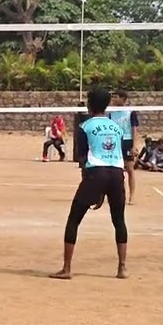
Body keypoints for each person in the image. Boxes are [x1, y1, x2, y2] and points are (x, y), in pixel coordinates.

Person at [52, 88, 128, 281]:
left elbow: (83, 157)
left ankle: (67, 268)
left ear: (89, 104)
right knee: (119, 220)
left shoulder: (85, 126)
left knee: (74, 219)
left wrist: (92, 188)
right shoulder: (116, 127)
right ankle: (122, 268)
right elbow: (120, 152)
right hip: (117, 173)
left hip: (96, 172)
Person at [108, 91, 141, 204]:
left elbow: (134, 130)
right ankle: (117, 195)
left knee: (130, 169)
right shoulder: (111, 113)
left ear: (123, 99)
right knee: (115, 171)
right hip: (114, 142)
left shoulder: (130, 112)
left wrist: (134, 146)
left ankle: (132, 196)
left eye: (116, 97)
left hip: (127, 141)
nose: (113, 99)